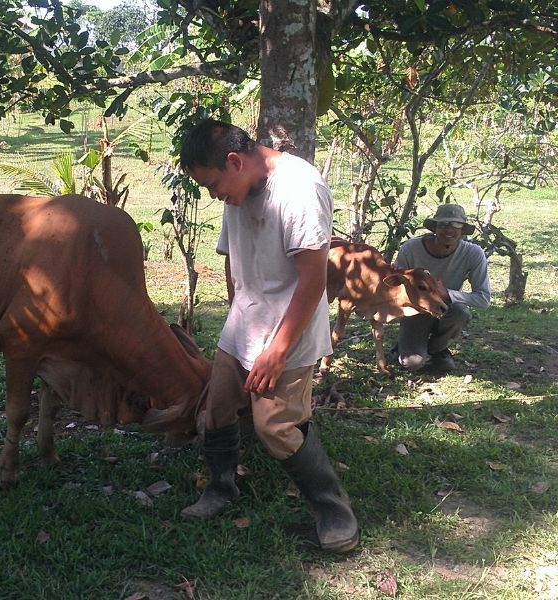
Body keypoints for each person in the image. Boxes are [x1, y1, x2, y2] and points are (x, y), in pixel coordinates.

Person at [178, 119, 359, 553]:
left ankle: (335, 512)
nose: (213, 195)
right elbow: (232, 257)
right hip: (244, 323)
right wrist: (236, 314)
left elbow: (313, 281)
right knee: (217, 409)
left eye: (212, 184)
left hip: (289, 332)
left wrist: (277, 350)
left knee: (275, 425)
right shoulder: (236, 189)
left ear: (235, 161)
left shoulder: (299, 189)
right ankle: (221, 488)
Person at [392, 203, 491, 372]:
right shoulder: (410, 248)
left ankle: (437, 348)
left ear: (462, 230)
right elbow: (395, 289)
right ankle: (405, 348)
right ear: (435, 228)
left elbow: (483, 299)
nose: (449, 230)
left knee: (461, 313)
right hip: (416, 311)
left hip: (446, 308)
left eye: (456, 225)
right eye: (443, 224)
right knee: (412, 363)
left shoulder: (474, 253)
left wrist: (448, 295)